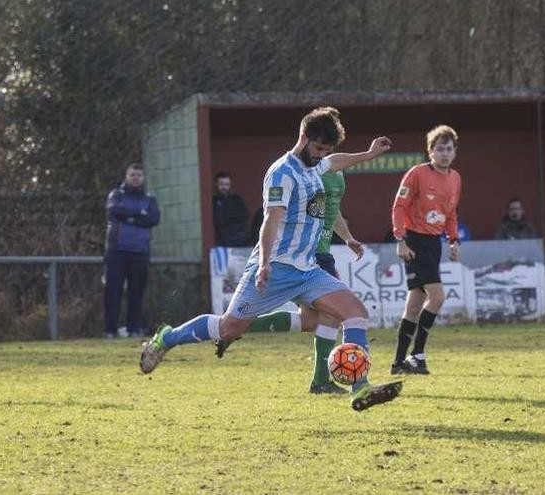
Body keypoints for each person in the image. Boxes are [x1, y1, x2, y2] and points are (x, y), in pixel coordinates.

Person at [140, 107, 402, 411]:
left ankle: (360, 388)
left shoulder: (314, 165)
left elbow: (334, 162)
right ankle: (167, 338)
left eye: (325, 150)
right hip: (275, 267)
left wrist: (367, 155)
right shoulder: (281, 173)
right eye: (317, 148)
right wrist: (264, 263)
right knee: (228, 328)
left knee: (355, 313)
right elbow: (271, 221)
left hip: (308, 269)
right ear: (303, 138)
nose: (321, 156)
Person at [247, 172, 366, 395]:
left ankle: (240, 326)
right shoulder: (312, 171)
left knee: (313, 320)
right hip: (310, 255)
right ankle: (336, 382)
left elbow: (331, 210)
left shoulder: (336, 172)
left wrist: (347, 237)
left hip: (318, 254)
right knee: (341, 313)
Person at [390, 125, 462, 375]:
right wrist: (400, 239)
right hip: (414, 241)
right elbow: (399, 207)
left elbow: (450, 213)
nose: (444, 153)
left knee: (414, 304)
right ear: (430, 151)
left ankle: (399, 363)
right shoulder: (417, 173)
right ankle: (417, 355)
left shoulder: (455, 178)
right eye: (439, 148)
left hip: (434, 244)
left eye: (449, 149)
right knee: (438, 297)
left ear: (454, 152)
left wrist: (453, 240)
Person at [104, 163, 161, 339]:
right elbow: (114, 210)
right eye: (132, 174)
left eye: (138, 175)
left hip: (140, 251)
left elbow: (154, 218)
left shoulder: (150, 199)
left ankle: (133, 329)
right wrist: (139, 212)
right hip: (117, 250)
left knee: (136, 292)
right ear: (126, 176)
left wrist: (129, 217)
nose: (135, 177)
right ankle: (110, 330)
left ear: (143, 178)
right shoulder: (116, 194)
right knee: (113, 291)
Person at [212, 171, 253, 247]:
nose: (224, 187)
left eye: (227, 185)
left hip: (240, 239)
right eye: (221, 184)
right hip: (222, 241)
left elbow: (245, 215)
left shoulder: (236, 199)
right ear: (216, 184)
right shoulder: (212, 201)